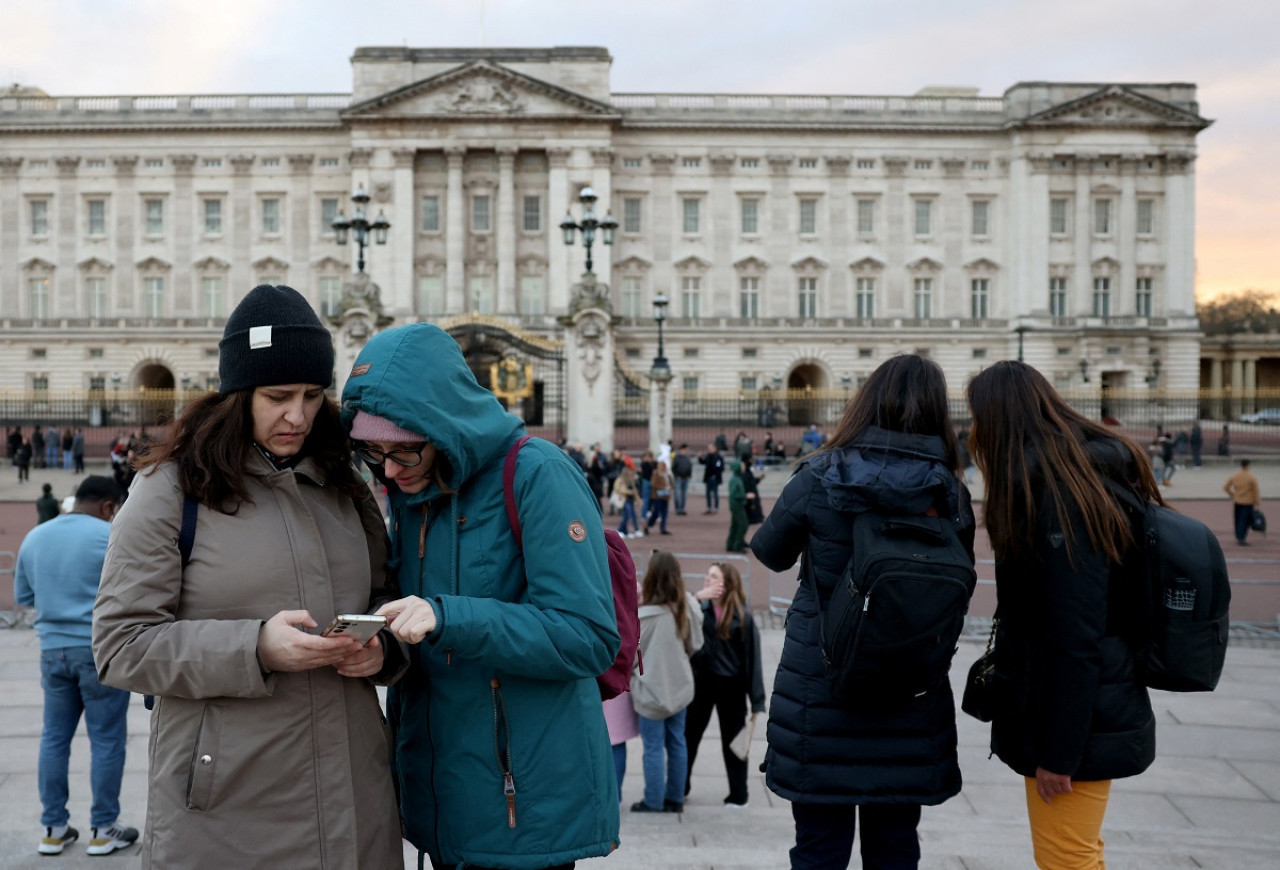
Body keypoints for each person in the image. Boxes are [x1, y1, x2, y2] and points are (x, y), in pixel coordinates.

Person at [93, 285, 403, 869]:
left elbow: (385, 597)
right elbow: (120, 646)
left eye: (314, 395)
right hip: (228, 811)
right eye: (278, 396)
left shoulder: (345, 484)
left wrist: (381, 648)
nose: (299, 415)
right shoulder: (168, 490)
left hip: (354, 801)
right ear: (238, 394)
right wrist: (255, 647)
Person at [342, 322, 621, 870]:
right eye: (373, 456)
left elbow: (588, 637)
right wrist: (382, 649)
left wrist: (448, 618)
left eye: (404, 452)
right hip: (442, 800)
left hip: (523, 806)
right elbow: (420, 629)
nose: (390, 471)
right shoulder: (412, 491)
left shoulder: (538, 473)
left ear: (443, 429)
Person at [750, 354, 975, 870]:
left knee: (818, 852)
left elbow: (771, 552)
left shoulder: (819, 475)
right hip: (909, 693)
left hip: (821, 689)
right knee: (895, 852)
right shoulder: (949, 493)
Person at [966, 360, 1158, 870]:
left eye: (977, 418)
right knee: (1078, 853)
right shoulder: (1073, 482)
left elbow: (1076, 636)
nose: (973, 432)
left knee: (1065, 860)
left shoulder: (1059, 499)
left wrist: (1060, 753)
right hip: (1082, 709)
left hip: (1076, 720)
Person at [16, 475, 136, 856]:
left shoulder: (35, 537)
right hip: (100, 652)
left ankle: (53, 828)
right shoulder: (109, 538)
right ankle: (103, 829)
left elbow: (23, 595)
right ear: (108, 506)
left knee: (54, 739)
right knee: (106, 740)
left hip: (53, 651)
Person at [684, 561, 766, 808]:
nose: (707, 579)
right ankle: (680, 787)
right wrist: (697, 597)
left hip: (731, 686)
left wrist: (757, 700)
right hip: (701, 683)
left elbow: (753, 659)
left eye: (713, 577)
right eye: (707, 575)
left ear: (726, 584)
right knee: (689, 736)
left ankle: (738, 794)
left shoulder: (743, 617)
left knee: (734, 742)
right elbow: (677, 610)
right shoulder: (699, 608)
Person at [630, 551, 703, 814]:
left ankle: (653, 800)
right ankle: (675, 798)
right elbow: (696, 644)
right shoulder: (685, 608)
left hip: (650, 689)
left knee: (652, 748)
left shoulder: (641, 616)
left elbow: (629, 655)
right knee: (677, 742)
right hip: (679, 685)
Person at [1224, 458, 1262, 546]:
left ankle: (1238, 535)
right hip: (1248, 502)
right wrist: (1257, 502)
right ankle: (1241, 537)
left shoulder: (1235, 475)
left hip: (1237, 501)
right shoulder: (1251, 477)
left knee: (1237, 519)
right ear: (1248, 465)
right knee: (1245, 521)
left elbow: (1225, 487)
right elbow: (1255, 491)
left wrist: (1233, 494)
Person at [725, 460, 750, 553]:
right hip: (737, 505)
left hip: (736, 504)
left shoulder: (737, 478)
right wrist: (745, 496)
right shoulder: (735, 479)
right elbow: (733, 494)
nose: (744, 468)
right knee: (743, 524)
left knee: (735, 525)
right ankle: (737, 545)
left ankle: (730, 544)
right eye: (742, 466)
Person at [646, 459, 674, 535]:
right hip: (657, 496)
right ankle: (648, 525)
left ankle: (663, 528)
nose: (663, 468)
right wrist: (664, 487)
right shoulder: (656, 473)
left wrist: (670, 487)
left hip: (665, 495)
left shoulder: (667, 474)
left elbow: (672, 483)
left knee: (665, 513)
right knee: (656, 512)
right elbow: (654, 484)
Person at [615, 465, 642, 538]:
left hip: (631, 500)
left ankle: (630, 531)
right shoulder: (620, 479)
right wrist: (629, 492)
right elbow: (617, 489)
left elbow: (634, 491)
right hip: (624, 500)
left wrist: (638, 499)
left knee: (633, 516)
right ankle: (620, 530)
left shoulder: (631, 480)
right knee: (627, 515)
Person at [699, 442, 725, 515]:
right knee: (708, 494)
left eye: (710, 448)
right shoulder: (708, 456)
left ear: (715, 449)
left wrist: (715, 475)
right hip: (708, 478)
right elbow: (703, 462)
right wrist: (700, 457)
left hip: (715, 478)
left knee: (715, 493)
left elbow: (721, 467)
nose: (709, 450)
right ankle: (709, 507)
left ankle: (716, 507)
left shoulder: (718, 457)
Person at [671, 443, 694, 515]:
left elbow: (690, 467)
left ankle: (682, 508)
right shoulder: (676, 458)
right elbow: (673, 468)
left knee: (684, 494)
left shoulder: (687, 458)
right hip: (678, 478)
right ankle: (677, 508)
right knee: (677, 494)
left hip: (685, 478)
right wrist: (676, 475)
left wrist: (689, 475)